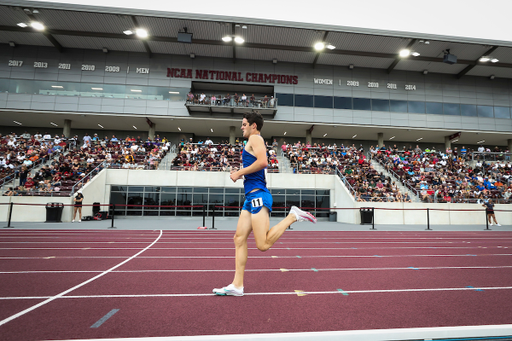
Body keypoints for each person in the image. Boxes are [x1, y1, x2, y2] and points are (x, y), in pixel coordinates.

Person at [213, 111, 316, 297]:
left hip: (259, 196)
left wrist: (239, 173)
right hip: (250, 198)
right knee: (238, 238)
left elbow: (263, 162)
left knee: (263, 245)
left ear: (254, 126)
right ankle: (237, 285)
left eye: (244, 124)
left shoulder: (255, 139)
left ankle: (293, 216)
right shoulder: (251, 141)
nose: (241, 127)